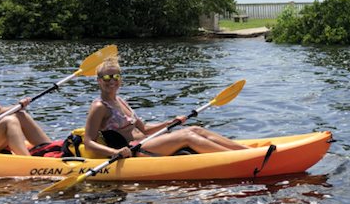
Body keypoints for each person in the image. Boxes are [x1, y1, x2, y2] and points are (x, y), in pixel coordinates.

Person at [82, 58, 247, 159]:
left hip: (146, 141)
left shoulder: (120, 100)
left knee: (196, 128)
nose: (112, 81)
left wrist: (171, 122)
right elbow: (88, 142)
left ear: (120, 79)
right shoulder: (99, 107)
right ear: (98, 81)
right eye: (107, 77)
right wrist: (113, 152)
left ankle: (248, 151)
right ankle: (238, 158)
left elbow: (145, 129)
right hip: (134, 149)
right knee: (188, 136)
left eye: (116, 76)